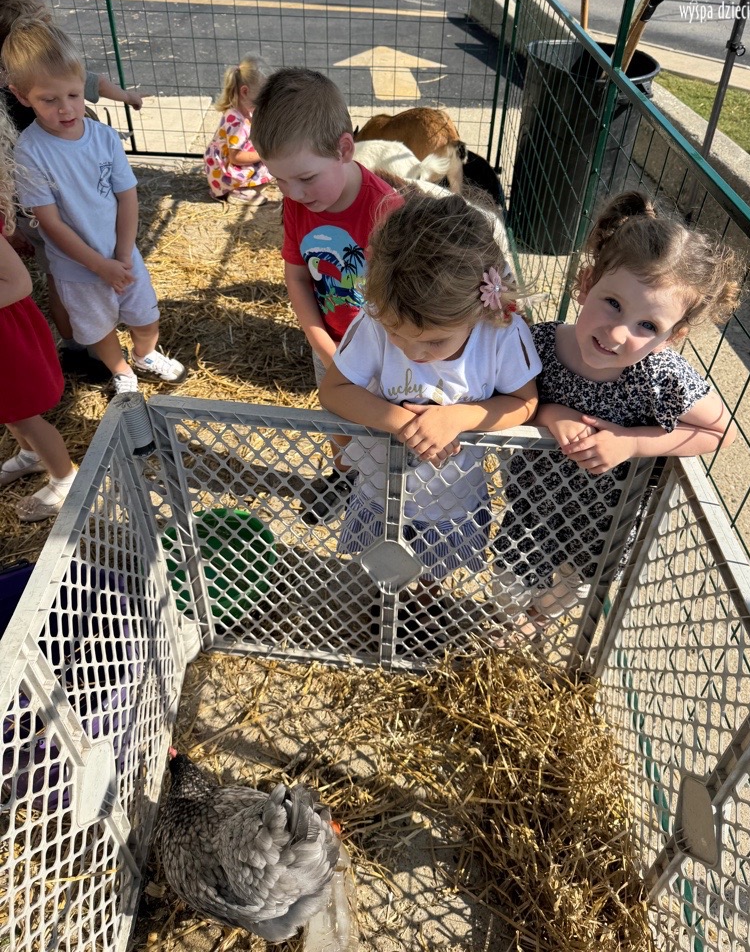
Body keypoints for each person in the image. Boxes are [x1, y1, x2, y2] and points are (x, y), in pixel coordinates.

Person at [492, 190, 743, 638]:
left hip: (603, 519)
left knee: (569, 587)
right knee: (506, 583)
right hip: (532, 502)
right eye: (613, 303)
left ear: (672, 337)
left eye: (648, 326)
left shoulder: (659, 375)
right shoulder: (539, 345)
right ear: (587, 283)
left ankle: (537, 622)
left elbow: (720, 432)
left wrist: (631, 442)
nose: (618, 333)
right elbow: (503, 402)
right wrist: (549, 413)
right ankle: (510, 618)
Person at [319, 192, 540, 650]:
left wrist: (458, 417)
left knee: (434, 565)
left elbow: (524, 402)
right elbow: (334, 390)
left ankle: (425, 601)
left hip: (450, 494)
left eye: (435, 342)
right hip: (382, 482)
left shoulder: (500, 333)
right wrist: (401, 421)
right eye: (397, 335)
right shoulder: (376, 318)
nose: (413, 352)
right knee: (384, 554)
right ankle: (391, 600)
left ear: (479, 308)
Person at [3, 17, 186, 395]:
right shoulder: (30, 152)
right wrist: (99, 265)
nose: (66, 109)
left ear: (82, 82)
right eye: (49, 100)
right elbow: (50, 222)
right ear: (21, 96)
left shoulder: (103, 137)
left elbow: (127, 196)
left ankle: (145, 354)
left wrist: (123, 254)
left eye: (73, 95)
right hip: (77, 269)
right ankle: (121, 371)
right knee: (98, 329)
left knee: (146, 317)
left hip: (123, 255)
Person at [252, 67, 402, 523]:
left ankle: (386, 488)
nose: (293, 193)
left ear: (344, 149)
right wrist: (322, 343)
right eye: (280, 181)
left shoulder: (387, 210)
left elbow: (404, 295)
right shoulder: (298, 203)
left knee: (384, 425)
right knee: (337, 416)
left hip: (384, 349)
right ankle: (343, 474)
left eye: (305, 178)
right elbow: (298, 277)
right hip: (332, 342)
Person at [0, 0, 146, 382]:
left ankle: (84, 338)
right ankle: (81, 343)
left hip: (54, 197)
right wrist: (10, 224)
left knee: (64, 273)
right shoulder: (27, 94)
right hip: (38, 199)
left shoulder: (41, 71)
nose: (64, 106)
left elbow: (90, 80)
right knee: (64, 274)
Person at [0, 101, 77, 522]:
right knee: (10, 412)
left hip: (7, 340)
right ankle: (30, 456)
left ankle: (64, 477)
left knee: (26, 415)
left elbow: (19, 283)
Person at [204, 54, 273, 203]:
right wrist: (264, 154)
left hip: (232, 161)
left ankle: (246, 184)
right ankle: (237, 190)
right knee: (268, 157)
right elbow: (236, 157)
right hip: (225, 170)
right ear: (245, 92)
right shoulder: (236, 122)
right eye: (263, 96)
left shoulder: (247, 110)